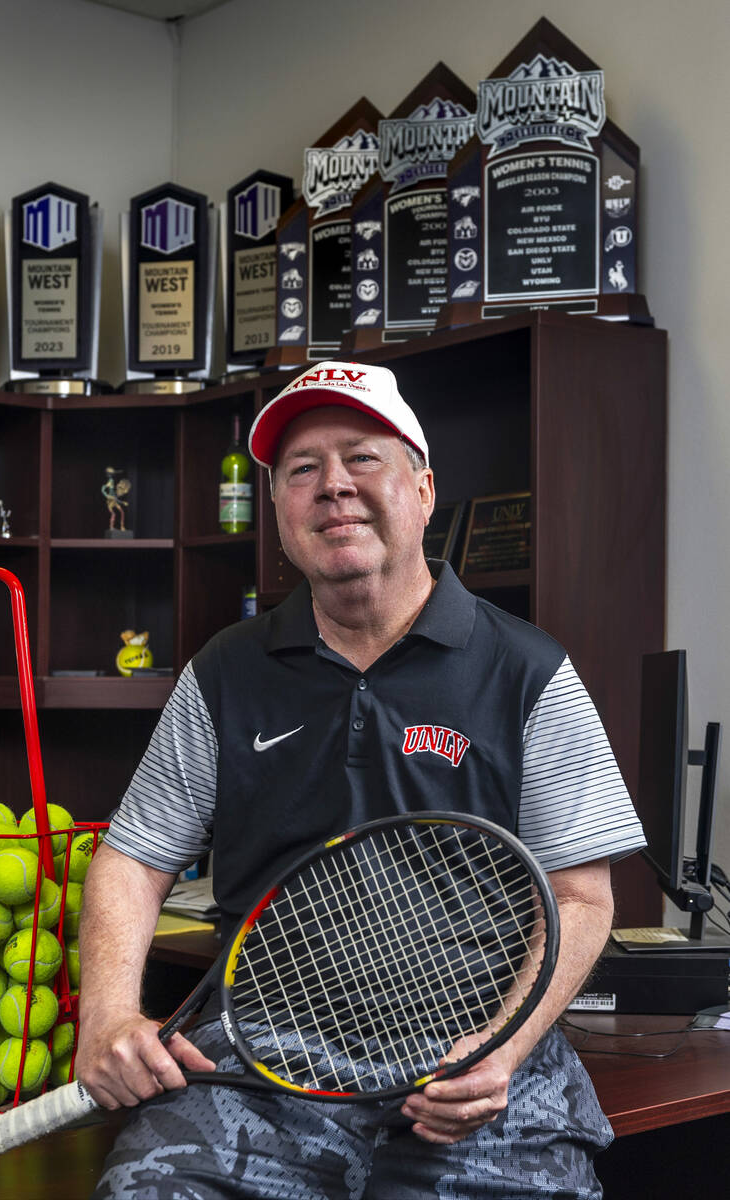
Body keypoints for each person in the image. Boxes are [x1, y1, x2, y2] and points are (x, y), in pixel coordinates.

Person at [78, 360, 647, 1199]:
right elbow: (133, 859)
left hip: (471, 1070)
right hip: (265, 1066)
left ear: (422, 489)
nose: (332, 486)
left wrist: (502, 1049)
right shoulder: (223, 673)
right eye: (301, 470)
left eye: (361, 458)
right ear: (276, 513)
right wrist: (108, 1016)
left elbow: (582, 897)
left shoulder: (529, 671)